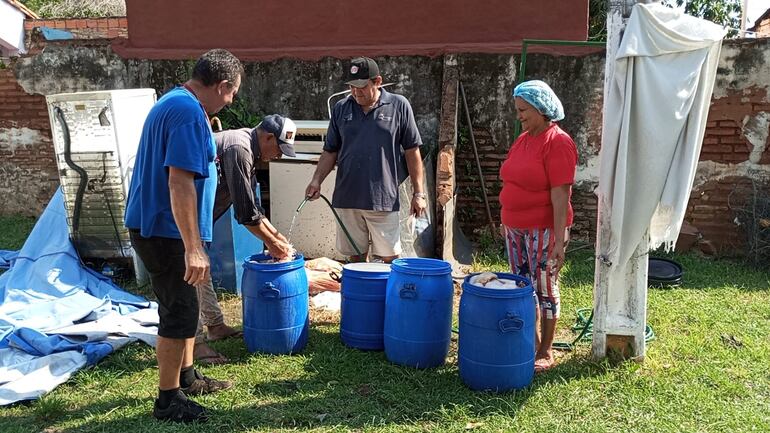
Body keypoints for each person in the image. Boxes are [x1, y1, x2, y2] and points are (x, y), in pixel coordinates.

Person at [125, 48, 243, 423]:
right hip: (166, 231)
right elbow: (179, 182)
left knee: (185, 306)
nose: (230, 102)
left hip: (157, 225)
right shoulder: (189, 113)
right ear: (222, 85)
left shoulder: (176, 103)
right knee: (179, 312)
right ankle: (167, 399)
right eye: (232, 94)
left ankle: (188, 379)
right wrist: (193, 246)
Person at [193, 114, 297, 364]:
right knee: (187, 276)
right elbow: (246, 214)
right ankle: (195, 344)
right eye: (279, 149)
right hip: (178, 216)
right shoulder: (239, 148)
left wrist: (278, 237)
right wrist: (274, 246)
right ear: (268, 137)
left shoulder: (249, 149)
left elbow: (254, 209)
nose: (279, 155)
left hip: (198, 218)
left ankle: (215, 326)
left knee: (200, 267)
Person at [304, 57, 426, 263]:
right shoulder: (341, 108)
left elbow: (412, 151)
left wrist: (419, 193)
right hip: (348, 197)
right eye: (352, 86)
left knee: (390, 258)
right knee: (356, 258)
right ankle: (361, 294)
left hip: (383, 199)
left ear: (377, 81)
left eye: (362, 86)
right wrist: (316, 180)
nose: (356, 92)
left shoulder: (399, 105)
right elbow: (330, 151)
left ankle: (385, 295)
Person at [499, 80, 578, 374]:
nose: (519, 115)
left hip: (542, 228)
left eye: (523, 110)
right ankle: (528, 343)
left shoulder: (557, 142)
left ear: (541, 109)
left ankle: (546, 350)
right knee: (521, 285)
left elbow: (561, 194)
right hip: (515, 227)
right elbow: (511, 179)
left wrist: (559, 238)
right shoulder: (524, 139)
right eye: (518, 110)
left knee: (543, 285)